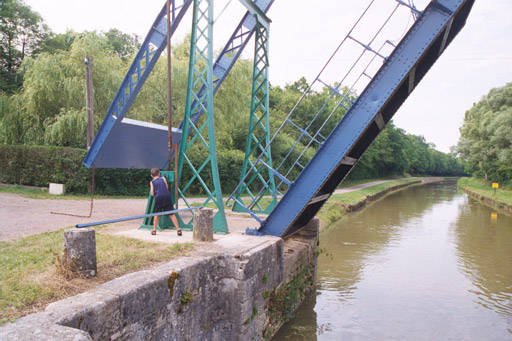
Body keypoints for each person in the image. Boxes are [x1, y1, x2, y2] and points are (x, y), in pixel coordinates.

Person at [150, 168, 182, 236]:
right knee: (171, 214)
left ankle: (154, 230)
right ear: (158, 173)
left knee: (157, 214)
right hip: (167, 196)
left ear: (151, 175)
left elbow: (152, 194)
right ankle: (178, 230)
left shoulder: (152, 182)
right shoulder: (163, 179)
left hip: (159, 197)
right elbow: (166, 188)